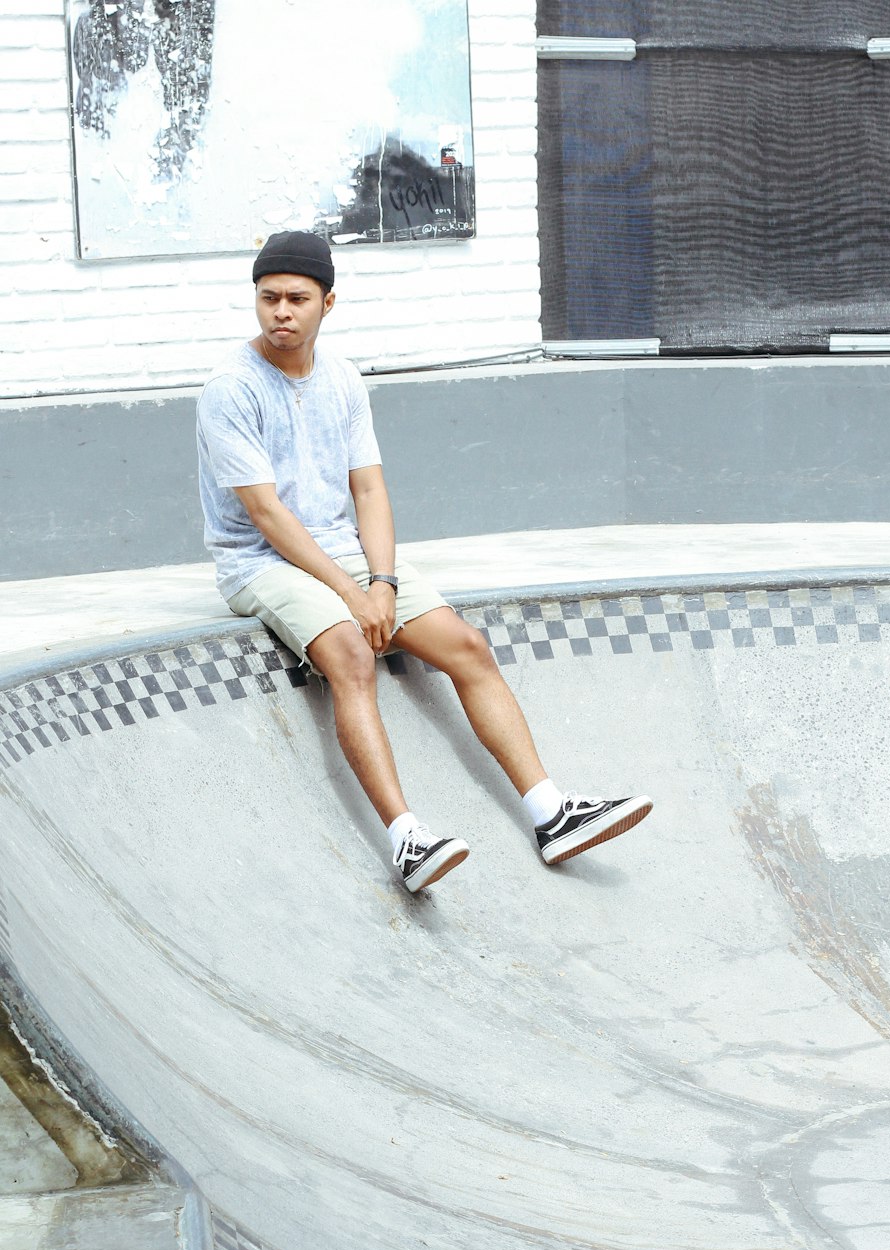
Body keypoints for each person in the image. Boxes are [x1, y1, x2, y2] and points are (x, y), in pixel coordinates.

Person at [196, 230, 652, 892]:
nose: (282, 313)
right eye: (269, 299)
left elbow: (370, 489)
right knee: (352, 654)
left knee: (465, 644)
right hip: (260, 560)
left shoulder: (343, 378)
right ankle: (408, 840)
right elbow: (266, 516)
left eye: (297, 299)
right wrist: (356, 599)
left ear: (329, 302)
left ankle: (551, 815)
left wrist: (381, 581)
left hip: (343, 552)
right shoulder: (231, 389)